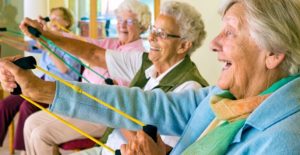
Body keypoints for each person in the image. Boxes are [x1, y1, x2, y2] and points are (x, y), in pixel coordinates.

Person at [5, 0, 300, 154]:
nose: (214, 43)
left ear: (272, 52)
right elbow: (143, 104)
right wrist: (43, 89)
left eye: (231, 32)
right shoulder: (224, 98)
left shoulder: (286, 141)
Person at [23, 0, 151, 154]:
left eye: (129, 21)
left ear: (142, 25)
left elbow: (123, 96)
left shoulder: (138, 54)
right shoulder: (111, 43)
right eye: (120, 20)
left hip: (102, 112)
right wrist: (46, 33)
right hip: (80, 102)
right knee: (31, 122)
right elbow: (83, 43)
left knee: (40, 135)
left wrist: (47, 35)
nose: (122, 25)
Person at [0, 7, 81, 153]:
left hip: (60, 88)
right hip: (42, 82)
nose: (53, 21)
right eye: (51, 18)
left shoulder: (72, 42)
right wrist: (2, 37)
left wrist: (46, 44)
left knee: (27, 106)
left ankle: (22, 150)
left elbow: (63, 69)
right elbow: (24, 45)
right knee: (6, 104)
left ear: (67, 21)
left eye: (57, 18)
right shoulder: (48, 39)